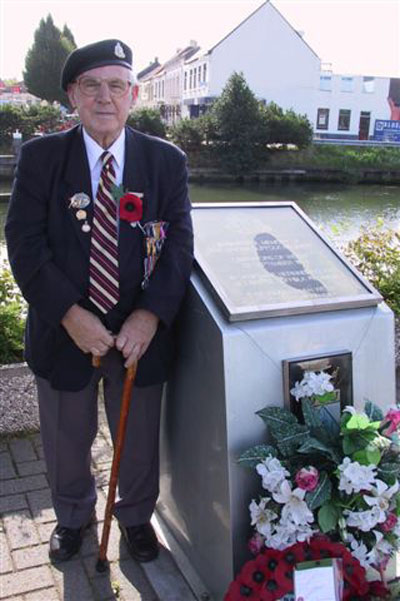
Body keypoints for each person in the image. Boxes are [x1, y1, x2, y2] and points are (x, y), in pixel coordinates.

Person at [5, 39, 193, 564]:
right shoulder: (41, 158)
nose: (104, 97)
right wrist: (69, 314)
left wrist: (149, 314)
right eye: (92, 85)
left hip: (140, 336)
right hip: (63, 331)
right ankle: (72, 517)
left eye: (116, 86)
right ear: (73, 95)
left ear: (134, 95)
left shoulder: (166, 161)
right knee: (67, 438)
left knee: (136, 439)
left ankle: (134, 517)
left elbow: (179, 244)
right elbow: (23, 242)